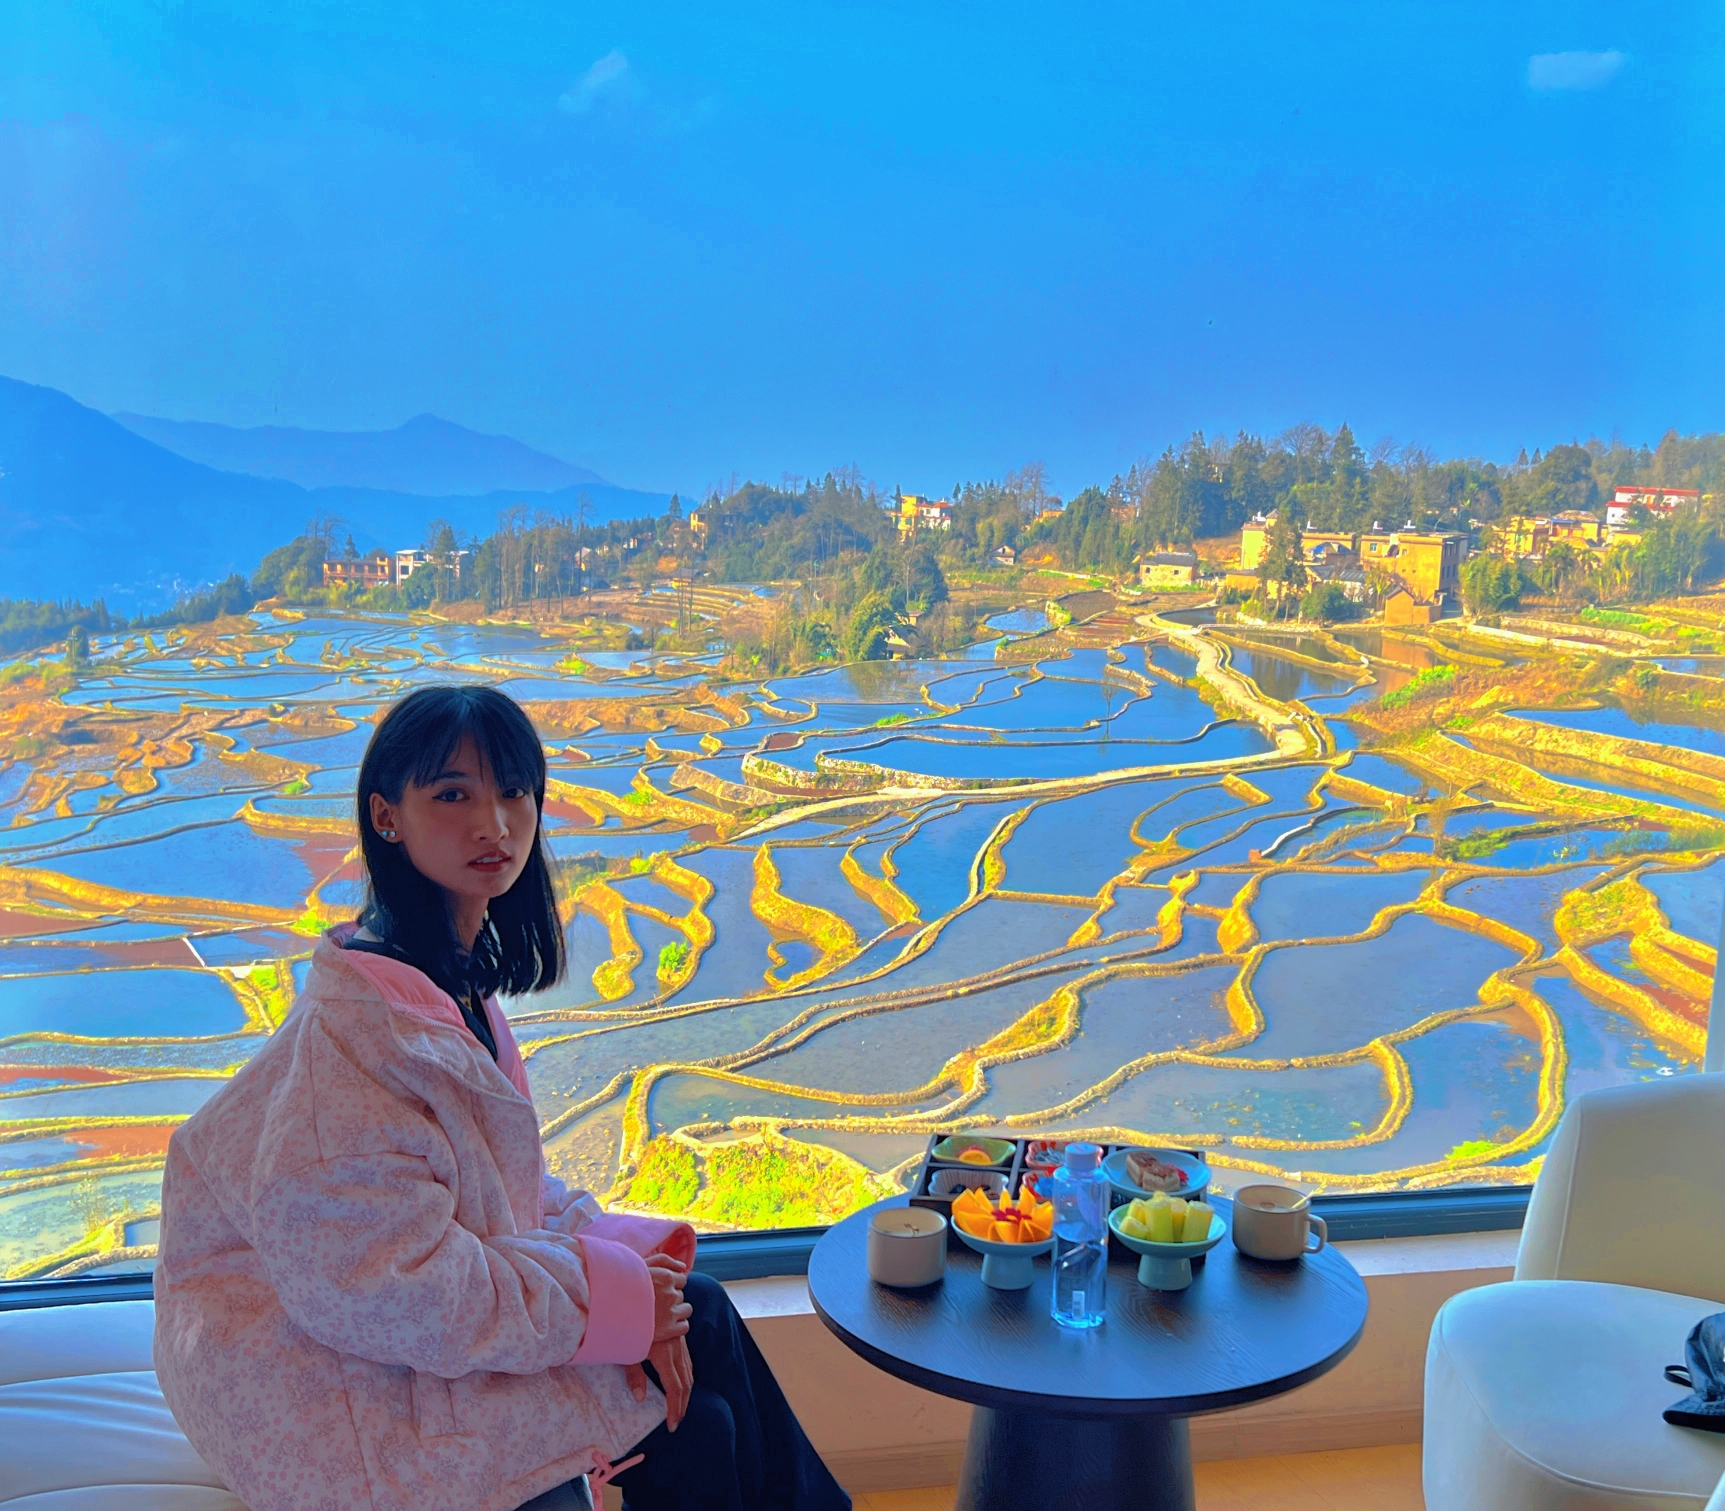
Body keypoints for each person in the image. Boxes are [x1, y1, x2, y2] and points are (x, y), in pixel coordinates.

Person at [153, 684, 850, 1511]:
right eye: (453, 795)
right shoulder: (355, 1046)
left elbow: (493, 1190)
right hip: (325, 1386)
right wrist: (611, 1296)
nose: (493, 823)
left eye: (513, 791)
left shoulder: (444, 983)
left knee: (699, 1310)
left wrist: (631, 1269)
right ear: (386, 816)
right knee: (698, 1426)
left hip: (390, 1325)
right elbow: (399, 1289)